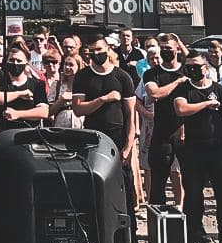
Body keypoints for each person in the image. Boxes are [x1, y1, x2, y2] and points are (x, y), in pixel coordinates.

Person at [173, 52, 222, 243]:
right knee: (194, 197)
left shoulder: (219, 90)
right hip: (193, 151)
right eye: (189, 66)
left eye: (197, 66)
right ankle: (192, 239)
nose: (193, 70)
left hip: (219, 150)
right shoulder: (184, 89)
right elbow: (181, 109)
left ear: (206, 68)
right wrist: (206, 104)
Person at [74, 35, 137, 232]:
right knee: (93, 186)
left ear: (108, 49)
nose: (97, 54)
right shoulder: (83, 76)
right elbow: (78, 109)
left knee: (125, 189)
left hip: (117, 139)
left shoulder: (122, 76)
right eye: (92, 51)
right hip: (92, 140)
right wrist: (103, 99)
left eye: (100, 50)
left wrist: (128, 146)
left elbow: (130, 115)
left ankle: (129, 235)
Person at [145, 33, 188, 206]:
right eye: (162, 49)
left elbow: (195, 58)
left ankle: (189, 220)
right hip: (162, 132)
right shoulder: (152, 73)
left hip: (185, 132)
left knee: (189, 178)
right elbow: (154, 94)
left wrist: (179, 40)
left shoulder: (187, 70)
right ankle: (157, 223)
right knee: (158, 181)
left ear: (177, 49)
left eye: (169, 48)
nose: (165, 52)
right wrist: (177, 83)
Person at [0, 47, 49, 132]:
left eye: (19, 61)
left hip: (29, 134)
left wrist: (18, 114)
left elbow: (44, 111)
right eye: (12, 60)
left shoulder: (37, 84)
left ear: (26, 64)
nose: (15, 63)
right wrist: (19, 94)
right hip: (4, 134)